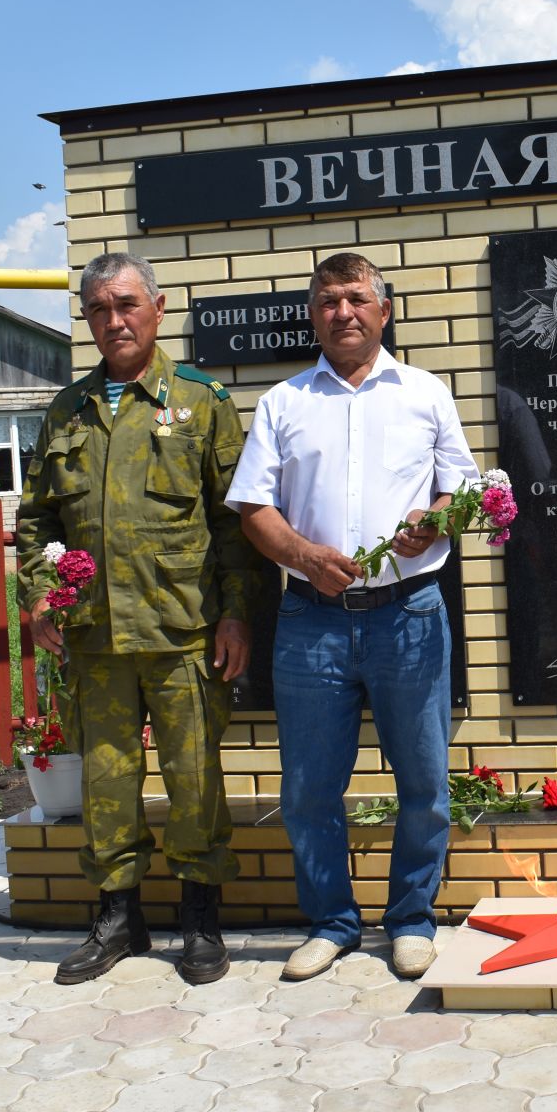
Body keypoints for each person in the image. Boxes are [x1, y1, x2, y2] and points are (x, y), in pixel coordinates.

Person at [227, 251, 476, 983]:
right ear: (314, 314)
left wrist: (434, 522)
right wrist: (303, 554)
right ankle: (332, 922)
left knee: (425, 779)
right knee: (307, 786)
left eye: (356, 298)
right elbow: (253, 507)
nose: (344, 312)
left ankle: (410, 919)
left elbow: (460, 488)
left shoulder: (427, 394)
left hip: (410, 617)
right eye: (329, 300)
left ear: (384, 310)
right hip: (312, 622)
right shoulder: (284, 402)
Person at [16, 252, 255, 987]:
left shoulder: (201, 400)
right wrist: (36, 594)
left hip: (183, 629)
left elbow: (234, 521)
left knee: (193, 780)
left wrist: (236, 614)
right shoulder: (68, 409)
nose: (113, 321)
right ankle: (118, 918)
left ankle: (199, 919)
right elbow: (36, 519)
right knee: (107, 784)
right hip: (97, 637)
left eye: (125, 305)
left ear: (158, 306)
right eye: (97, 309)